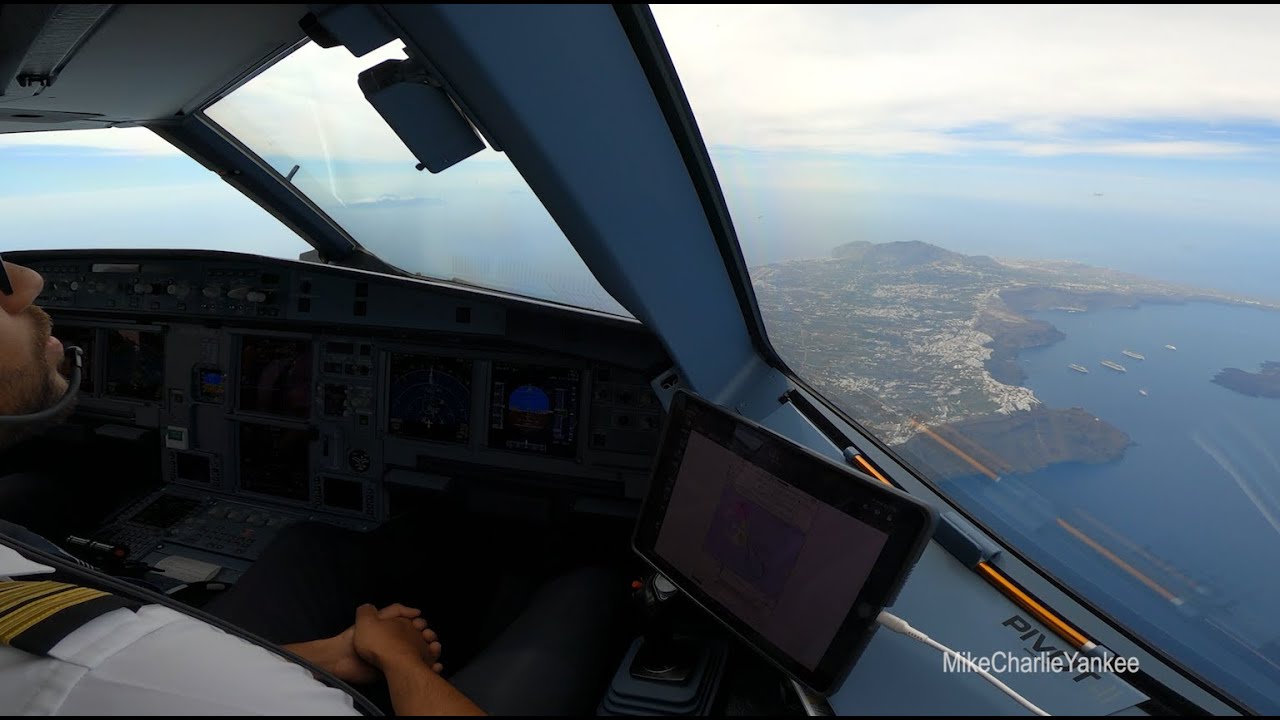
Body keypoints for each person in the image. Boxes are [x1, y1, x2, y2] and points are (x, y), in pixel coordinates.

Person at [0, 256, 625, 715]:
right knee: (594, 583)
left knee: (310, 543)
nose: (25, 282)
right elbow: (171, 676)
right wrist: (400, 661)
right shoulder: (127, 673)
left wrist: (333, 655)